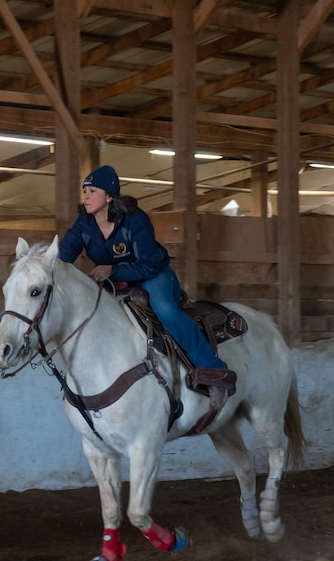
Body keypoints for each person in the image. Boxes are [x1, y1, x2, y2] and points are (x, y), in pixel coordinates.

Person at [57, 164, 236, 410]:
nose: (86, 196)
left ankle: (214, 373)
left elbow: (150, 264)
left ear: (109, 196)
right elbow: (61, 255)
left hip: (153, 276)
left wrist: (113, 269)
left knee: (166, 311)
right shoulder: (83, 224)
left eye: (92, 191)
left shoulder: (134, 219)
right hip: (114, 282)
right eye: (85, 191)